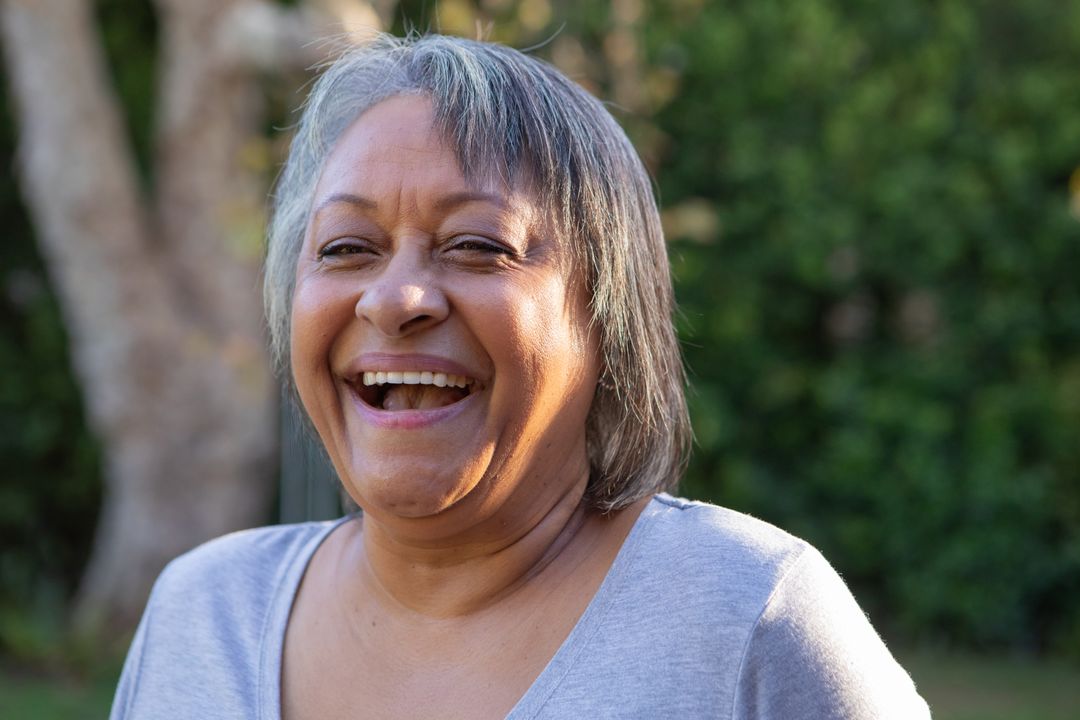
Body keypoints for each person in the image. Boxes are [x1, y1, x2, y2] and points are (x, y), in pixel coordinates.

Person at [109, 33, 931, 719]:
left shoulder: (747, 619)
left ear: (608, 317)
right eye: (346, 248)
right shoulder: (204, 613)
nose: (393, 299)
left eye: (477, 245)